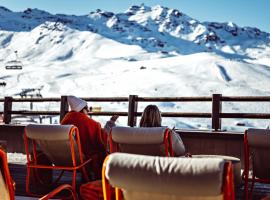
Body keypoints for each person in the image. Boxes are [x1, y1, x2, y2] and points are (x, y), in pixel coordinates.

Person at [61, 95, 117, 179]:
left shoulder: (66, 119)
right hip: (81, 158)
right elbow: (101, 136)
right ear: (81, 109)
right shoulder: (85, 121)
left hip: (65, 157)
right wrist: (111, 123)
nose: (88, 110)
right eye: (86, 108)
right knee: (100, 153)